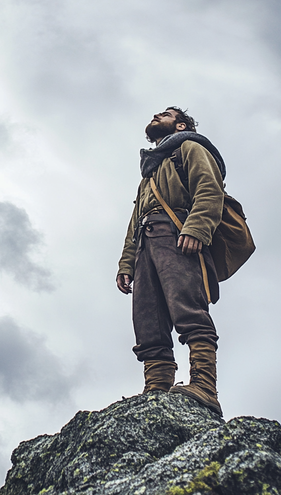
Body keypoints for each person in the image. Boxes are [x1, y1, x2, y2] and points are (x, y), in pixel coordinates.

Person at [116, 107, 225, 416]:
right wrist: (127, 263)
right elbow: (134, 221)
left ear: (180, 124)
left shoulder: (190, 147)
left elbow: (209, 188)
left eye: (164, 113)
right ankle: (156, 388)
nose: (155, 115)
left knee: (188, 310)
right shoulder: (151, 171)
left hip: (176, 235)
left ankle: (204, 386)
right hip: (145, 246)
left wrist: (196, 228)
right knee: (147, 320)